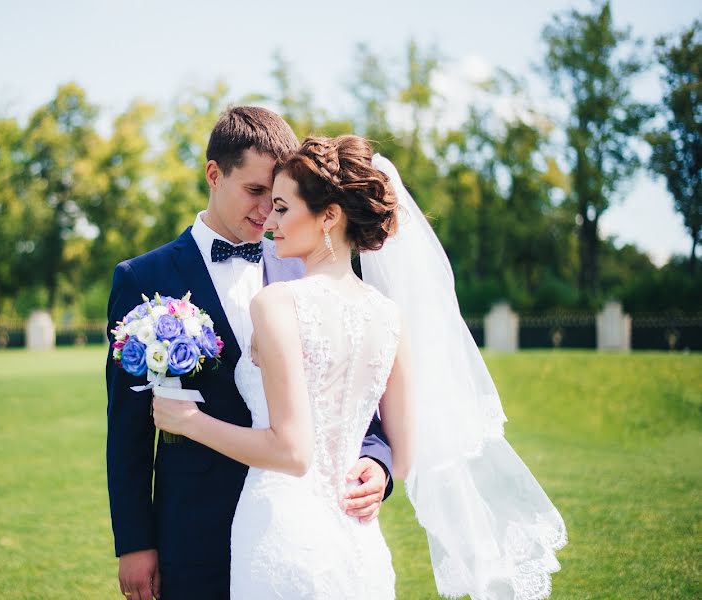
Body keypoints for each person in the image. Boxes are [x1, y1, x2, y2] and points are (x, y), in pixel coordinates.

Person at [154, 135, 567, 599]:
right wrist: (376, 467)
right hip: (357, 539)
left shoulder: (276, 304)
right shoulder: (390, 316)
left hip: (282, 532)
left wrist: (188, 421)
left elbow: (291, 453)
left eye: (283, 208)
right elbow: (404, 457)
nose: (270, 222)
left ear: (329, 216)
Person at [106, 109, 395, 600]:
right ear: (214, 174)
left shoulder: (307, 267)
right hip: (194, 529)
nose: (267, 212)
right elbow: (127, 428)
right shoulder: (143, 279)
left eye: (278, 197)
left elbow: (351, 391)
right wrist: (134, 543)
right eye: (255, 192)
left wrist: (378, 463)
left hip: (301, 526)